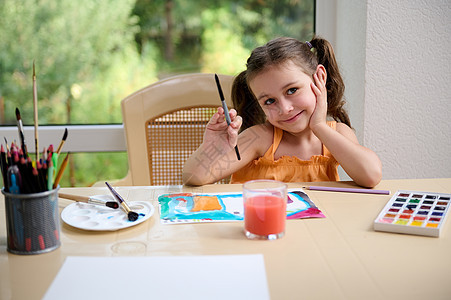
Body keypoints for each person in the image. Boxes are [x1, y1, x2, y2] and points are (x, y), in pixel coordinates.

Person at [182, 36, 382, 187]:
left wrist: (319, 126)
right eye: (269, 101)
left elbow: (371, 175)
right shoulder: (260, 138)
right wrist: (212, 146)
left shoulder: (337, 134)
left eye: (292, 90)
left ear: (319, 77)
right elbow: (194, 178)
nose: (285, 108)